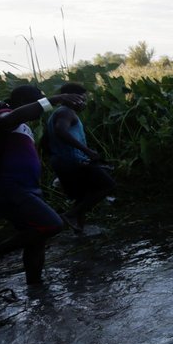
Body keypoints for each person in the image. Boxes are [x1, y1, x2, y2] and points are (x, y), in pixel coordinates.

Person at [0, 85, 85, 287]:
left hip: (27, 188)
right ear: (22, 102)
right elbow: (8, 120)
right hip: (9, 187)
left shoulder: (23, 127)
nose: (39, 107)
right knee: (53, 224)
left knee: (36, 239)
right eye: (37, 101)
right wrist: (55, 99)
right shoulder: (4, 115)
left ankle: (36, 289)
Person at [43, 82, 115, 232]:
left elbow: (46, 140)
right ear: (71, 98)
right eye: (82, 99)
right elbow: (60, 131)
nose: (84, 103)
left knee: (82, 196)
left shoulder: (57, 113)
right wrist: (87, 151)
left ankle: (79, 229)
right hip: (73, 160)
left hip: (63, 161)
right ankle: (69, 216)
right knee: (108, 185)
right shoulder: (66, 112)